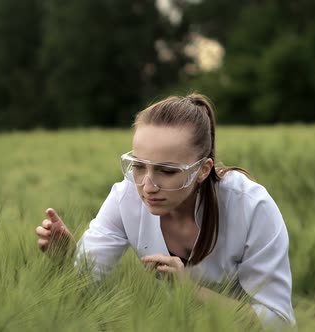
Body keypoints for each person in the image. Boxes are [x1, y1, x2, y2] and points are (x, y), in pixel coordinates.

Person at [35, 94, 295, 330]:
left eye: (167, 171)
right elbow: (85, 284)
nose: (147, 186)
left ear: (203, 170)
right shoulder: (125, 197)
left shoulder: (250, 206)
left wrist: (190, 291)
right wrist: (66, 258)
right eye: (138, 166)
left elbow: (280, 323)